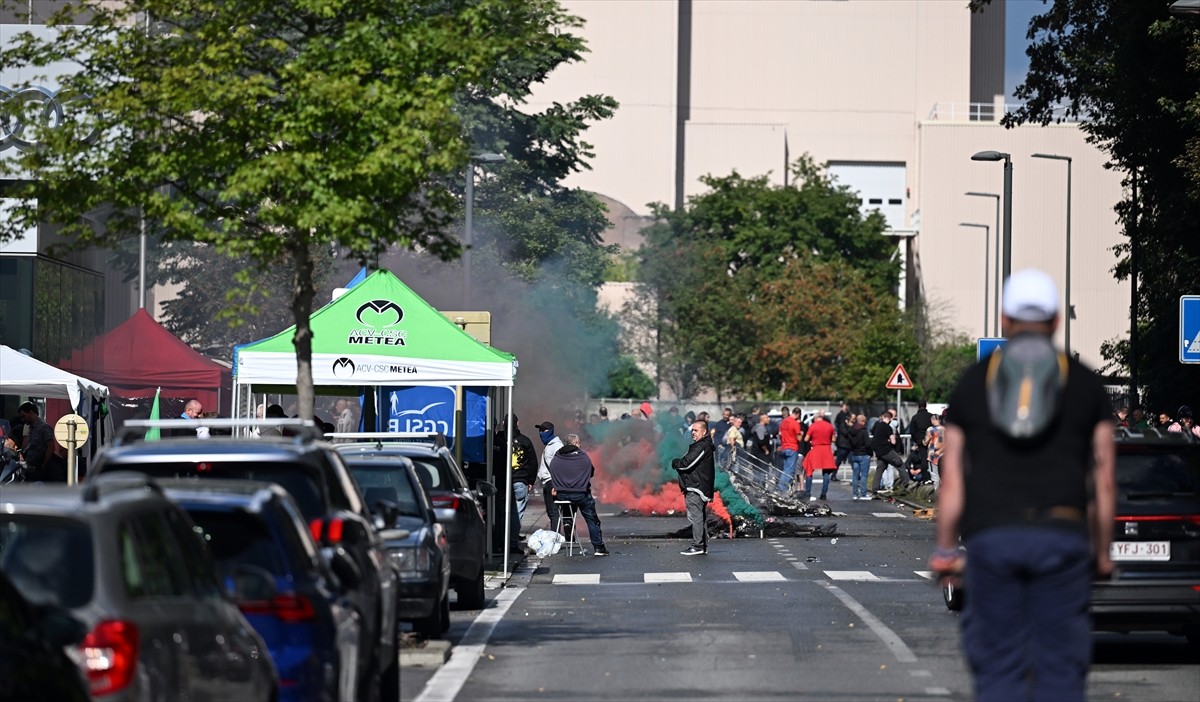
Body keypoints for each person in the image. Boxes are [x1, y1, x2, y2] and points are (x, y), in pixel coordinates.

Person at [930, 268, 1116, 702]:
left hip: (992, 540)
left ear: (1005, 320)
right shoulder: (1087, 384)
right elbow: (1104, 476)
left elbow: (953, 475)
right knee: (1060, 667)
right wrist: (1102, 553)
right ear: (1055, 322)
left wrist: (943, 549)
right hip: (1063, 537)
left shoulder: (973, 383)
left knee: (998, 666)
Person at [547, 433, 609, 556]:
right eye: (579, 442)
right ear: (575, 443)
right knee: (592, 520)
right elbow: (590, 472)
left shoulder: (557, 457)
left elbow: (552, 471)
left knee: (567, 506)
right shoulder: (582, 457)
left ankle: (568, 522)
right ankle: (598, 547)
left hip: (562, 495)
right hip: (580, 494)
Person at [671, 419, 716, 556]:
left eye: (696, 430)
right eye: (692, 430)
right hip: (697, 486)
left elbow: (686, 463)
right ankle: (701, 545)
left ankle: (697, 546)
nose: (693, 433)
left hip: (696, 487)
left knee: (696, 518)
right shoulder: (702, 445)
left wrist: (675, 462)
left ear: (704, 432)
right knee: (699, 518)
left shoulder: (701, 446)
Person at [868, 409, 907, 495]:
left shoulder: (878, 426)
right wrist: (890, 440)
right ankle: (906, 485)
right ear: (890, 418)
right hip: (887, 451)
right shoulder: (888, 427)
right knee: (900, 464)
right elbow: (893, 441)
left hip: (879, 452)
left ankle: (874, 489)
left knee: (880, 469)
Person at [801, 411, 837, 500]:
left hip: (816, 449)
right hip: (827, 450)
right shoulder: (830, 426)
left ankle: (808, 492)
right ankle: (823, 493)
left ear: (815, 419)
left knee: (809, 471)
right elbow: (833, 439)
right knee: (826, 473)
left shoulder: (813, 426)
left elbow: (806, 439)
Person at [535, 421, 563, 531]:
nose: (541, 433)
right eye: (540, 430)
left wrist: (556, 485)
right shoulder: (549, 445)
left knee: (554, 512)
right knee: (551, 512)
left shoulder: (557, 446)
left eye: (544, 430)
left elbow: (560, 467)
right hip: (547, 482)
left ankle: (554, 536)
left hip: (552, 482)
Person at [510, 416, 538, 524]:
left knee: (502, 512)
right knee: (517, 513)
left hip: (503, 482)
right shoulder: (525, 441)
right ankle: (512, 538)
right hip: (520, 481)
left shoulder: (499, 439)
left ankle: (504, 537)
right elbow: (533, 462)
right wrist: (531, 480)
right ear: (517, 423)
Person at [16, 402, 54, 480]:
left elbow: (51, 447)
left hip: (39, 468)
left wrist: (44, 464)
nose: (22, 420)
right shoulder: (31, 428)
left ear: (31, 413)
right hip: (30, 468)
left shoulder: (44, 427)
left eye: (24, 416)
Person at [847, 414, 873, 500]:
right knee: (864, 476)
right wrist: (870, 453)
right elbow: (868, 444)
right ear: (862, 421)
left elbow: (849, 442)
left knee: (855, 475)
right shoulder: (863, 431)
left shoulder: (851, 430)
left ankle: (855, 494)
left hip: (855, 454)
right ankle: (863, 494)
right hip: (863, 454)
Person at [777, 407, 802, 494]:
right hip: (792, 448)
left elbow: (780, 434)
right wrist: (801, 433)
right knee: (790, 471)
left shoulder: (784, 422)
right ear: (798, 414)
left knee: (785, 470)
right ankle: (782, 490)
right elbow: (799, 438)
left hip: (784, 447)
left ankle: (780, 487)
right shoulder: (795, 423)